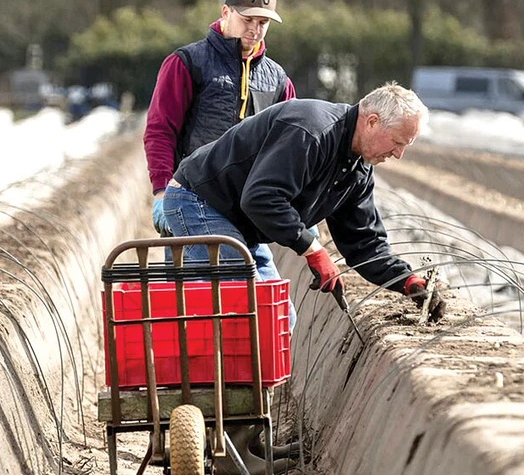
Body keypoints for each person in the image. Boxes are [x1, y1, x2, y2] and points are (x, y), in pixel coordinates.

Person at [162, 82, 448, 323]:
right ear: (372, 121)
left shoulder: (357, 171)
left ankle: (257, 388)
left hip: (237, 221)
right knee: (246, 308)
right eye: (398, 142)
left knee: (280, 317)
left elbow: (363, 243)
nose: (398, 154)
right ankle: (215, 385)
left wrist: (407, 281)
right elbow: (261, 197)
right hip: (199, 201)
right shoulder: (311, 131)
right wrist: (311, 249)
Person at [144, 0, 296, 242]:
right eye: (247, 20)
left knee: (257, 281)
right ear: (226, 12)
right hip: (192, 203)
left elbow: (289, 146)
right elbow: (160, 131)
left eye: (263, 23)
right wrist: (161, 192)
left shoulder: (278, 80)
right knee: (196, 284)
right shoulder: (187, 63)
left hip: (248, 214)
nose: (255, 29)